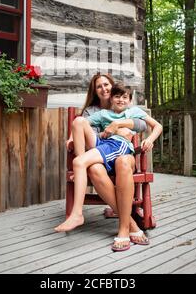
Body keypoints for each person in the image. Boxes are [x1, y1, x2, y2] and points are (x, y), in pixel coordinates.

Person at [55, 82, 163, 252]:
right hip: (103, 144)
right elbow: (80, 122)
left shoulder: (133, 111)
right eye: (117, 96)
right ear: (111, 98)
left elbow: (157, 126)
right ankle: (78, 206)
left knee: (79, 162)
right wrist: (70, 138)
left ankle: (77, 213)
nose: (120, 100)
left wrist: (149, 139)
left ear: (130, 99)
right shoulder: (103, 113)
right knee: (79, 124)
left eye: (124, 97)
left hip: (117, 147)